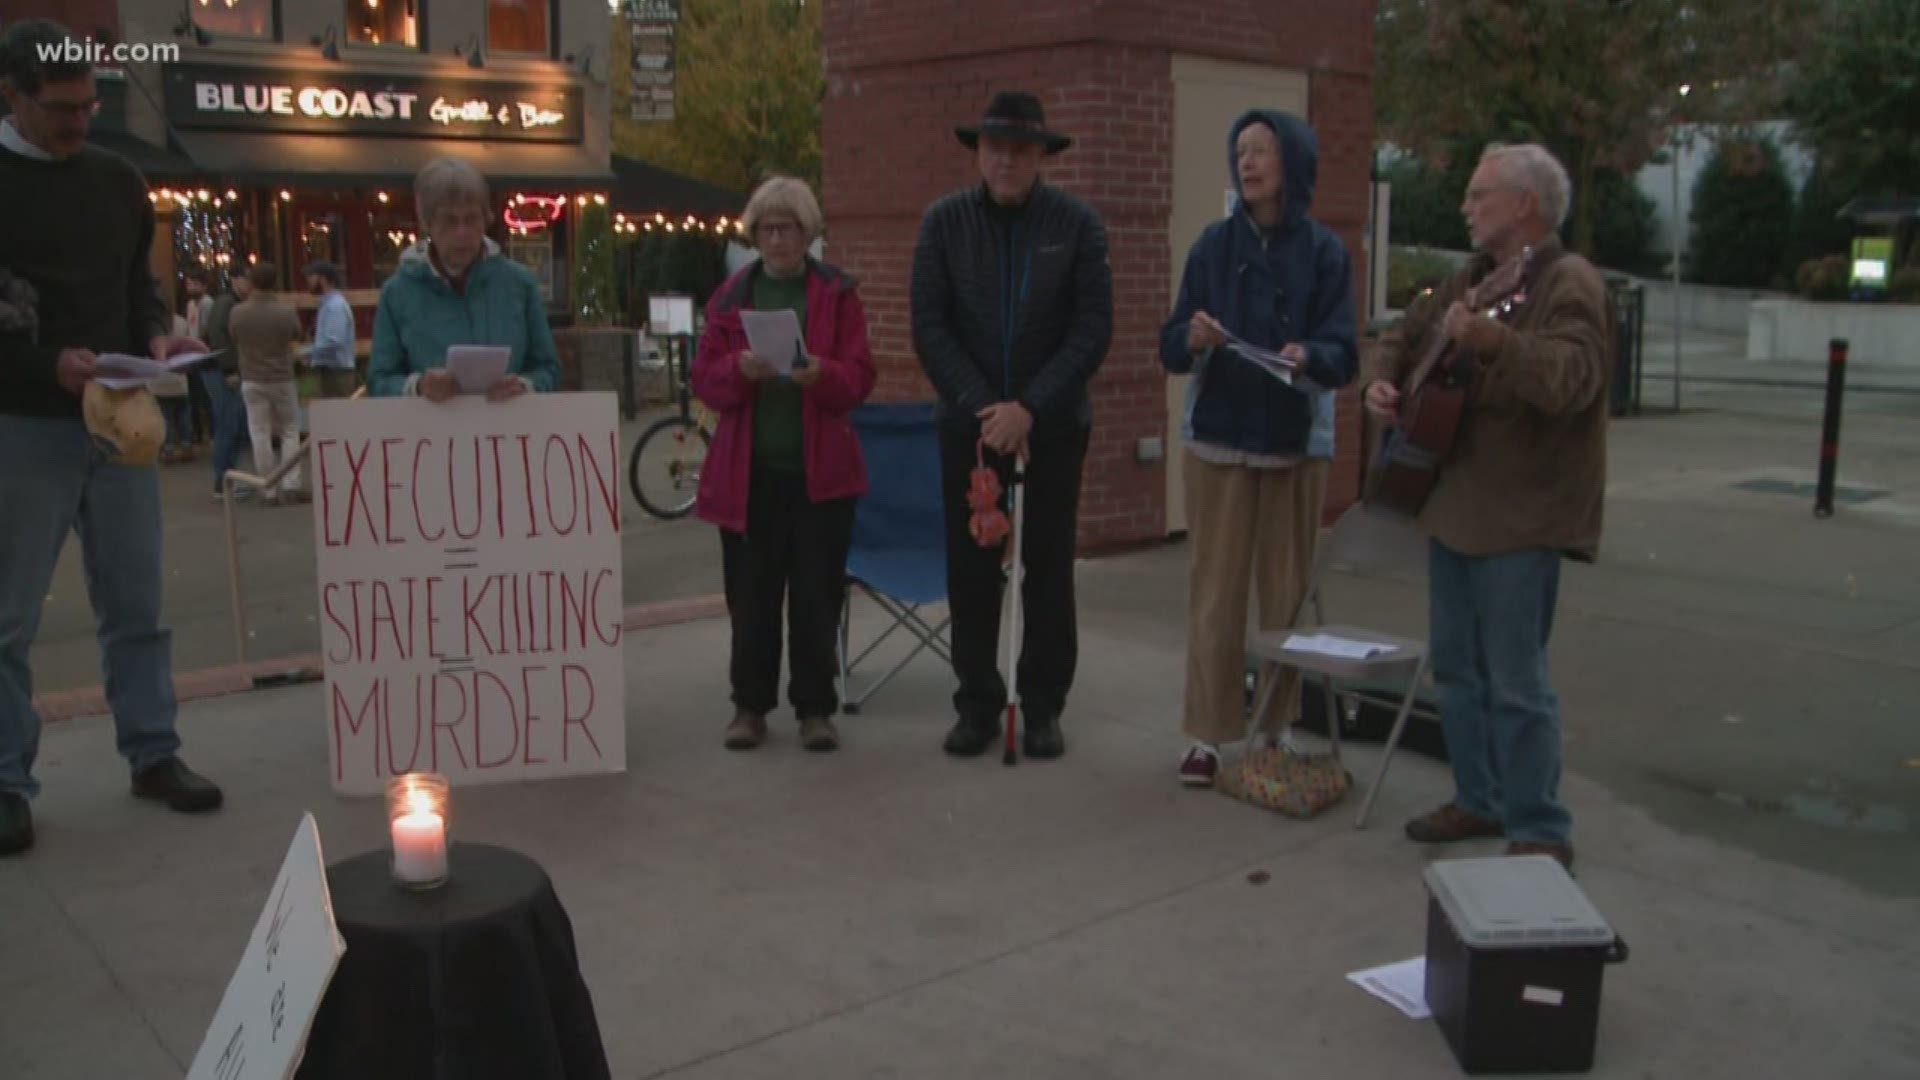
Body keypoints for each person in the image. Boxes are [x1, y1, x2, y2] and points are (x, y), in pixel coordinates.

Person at [0, 18, 223, 856]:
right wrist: (42, 364)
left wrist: (156, 336)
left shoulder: (119, 179)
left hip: (120, 414)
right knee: (8, 614)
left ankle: (153, 752)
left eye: (91, 104)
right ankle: (7, 781)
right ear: (12, 97)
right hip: (23, 421)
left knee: (137, 600)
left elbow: (141, 283)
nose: (80, 122)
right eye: (61, 109)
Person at [1361, 143, 1611, 870]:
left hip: (1521, 517)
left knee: (1516, 681)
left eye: (1480, 196)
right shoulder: (1468, 280)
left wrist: (1497, 340)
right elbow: (1401, 337)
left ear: (1525, 204)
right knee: (1459, 674)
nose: (1467, 209)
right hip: (1453, 508)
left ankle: (1540, 825)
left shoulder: (1570, 284)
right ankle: (1480, 797)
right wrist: (1381, 385)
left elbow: (1573, 379)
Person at [1158, 111, 1358, 787]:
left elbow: (1345, 352)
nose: (1248, 163)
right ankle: (1208, 736)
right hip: (1218, 439)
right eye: (1240, 151)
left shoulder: (1326, 252)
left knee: (1284, 594)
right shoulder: (1212, 247)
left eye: (1263, 151)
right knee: (1214, 595)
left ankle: (1273, 727)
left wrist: (1311, 355)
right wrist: (1193, 335)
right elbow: (1170, 342)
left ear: (1292, 163)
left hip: (1295, 444)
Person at [910, 91, 1112, 760]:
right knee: (971, 571)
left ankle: (1043, 705)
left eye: (1021, 151)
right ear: (979, 153)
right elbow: (931, 328)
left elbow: (1090, 330)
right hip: (968, 428)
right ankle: (977, 702)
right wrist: (988, 411)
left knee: (1048, 569)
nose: (1006, 161)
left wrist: (1029, 407)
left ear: (1041, 158)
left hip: (1052, 425)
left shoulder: (1077, 226)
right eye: (995, 148)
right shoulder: (942, 224)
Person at [691, 177, 876, 752]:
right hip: (748, 477)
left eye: (788, 228)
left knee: (817, 599)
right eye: (766, 230)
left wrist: (821, 375)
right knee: (751, 599)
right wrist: (735, 374)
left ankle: (815, 709)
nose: (776, 240)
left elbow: (861, 378)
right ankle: (749, 707)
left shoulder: (838, 295)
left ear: (807, 233)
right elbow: (704, 382)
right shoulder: (729, 298)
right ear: (753, 237)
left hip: (822, 477)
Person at [368, 157, 559, 401]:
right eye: (449, 220)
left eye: (471, 219)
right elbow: (379, 380)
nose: (462, 232)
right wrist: (419, 387)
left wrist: (523, 386)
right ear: (428, 224)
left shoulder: (519, 284)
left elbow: (549, 371)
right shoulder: (398, 293)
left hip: (508, 433)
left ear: (485, 219)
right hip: (430, 435)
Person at [228, 261, 306, 504]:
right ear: (275, 283)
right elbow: (297, 334)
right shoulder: (285, 312)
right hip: (281, 376)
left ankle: (268, 488)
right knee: (290, 430)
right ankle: (292, 483)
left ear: (252, 282)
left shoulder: (238, 312)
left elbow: (233, 336)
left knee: (259, 432)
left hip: (251, 377)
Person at [202, 267, 253, 500]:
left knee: (234, 426)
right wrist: (229, 369)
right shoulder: (225, 303)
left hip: (224, 369)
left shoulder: (229, 303)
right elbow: (218, 337)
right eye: (247, 279)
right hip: (222, 371)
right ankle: (223, 481)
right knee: (228, 426)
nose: (250, 285)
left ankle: (226, 479)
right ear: (235, 280)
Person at [305, 260, 357, 398]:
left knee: (338, 416)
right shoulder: (327, 304)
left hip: (337, 373)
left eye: (311, 276)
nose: (308, 280)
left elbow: (333, 341)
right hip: (331, 371)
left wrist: (309, 352)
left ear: (322, 279)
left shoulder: (335, 306)